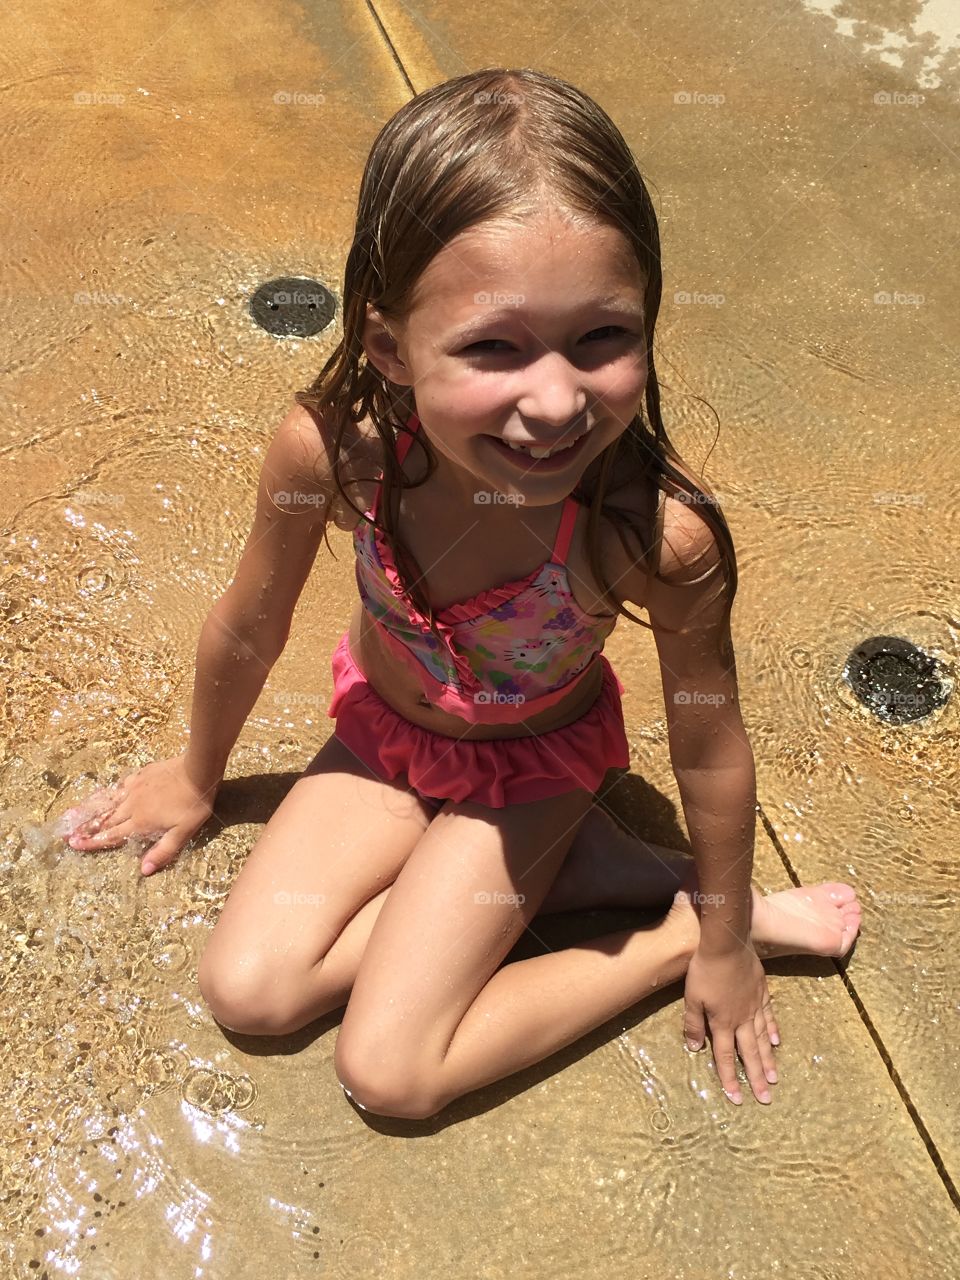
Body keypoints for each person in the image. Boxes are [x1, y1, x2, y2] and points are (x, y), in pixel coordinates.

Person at [61, 67, 861, 1119]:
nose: (557, 399)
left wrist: (717, 941)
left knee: (391, 1072)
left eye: (603, 337)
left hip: (528, 772)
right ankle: (575, 875)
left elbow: (709, 741)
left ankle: (657, 924)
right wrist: (198, 773)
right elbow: (250, 623)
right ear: (389, 346)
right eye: (494, 346)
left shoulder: (645, 534)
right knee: (249, 990)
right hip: (385, 739)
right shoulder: (337, 452)